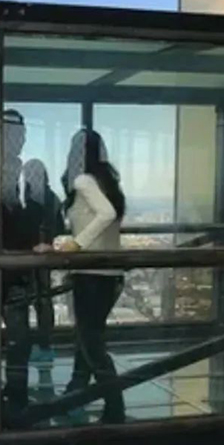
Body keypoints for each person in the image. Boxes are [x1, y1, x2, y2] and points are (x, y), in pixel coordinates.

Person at [56, 128, 126, 424]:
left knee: (91, 343)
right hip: (110, 275)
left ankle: (115, 407)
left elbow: (106, 214)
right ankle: (76, 393)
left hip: (91, 275)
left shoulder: (83, 181)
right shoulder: (106, 182)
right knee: (87, 340)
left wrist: (77, 244)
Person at [0, 109, 34, 426]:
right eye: (14, 134)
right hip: (4, 265)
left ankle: (15, 394)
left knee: (18, 337)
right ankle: (13, 396)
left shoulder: (15, 172)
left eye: (20, 134)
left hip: (12, 265)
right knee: (16, 337)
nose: (19, 139)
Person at [23, 159, 65, 367]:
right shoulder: (52, 198)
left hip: (31, 256)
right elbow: (60, 227)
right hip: (45, 255)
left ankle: (35, 345)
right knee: (43, 301)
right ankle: (45, 345)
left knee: (31, 300)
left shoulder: (31, 199)